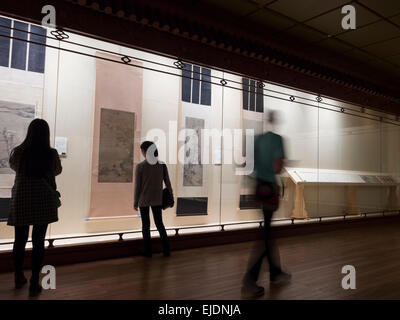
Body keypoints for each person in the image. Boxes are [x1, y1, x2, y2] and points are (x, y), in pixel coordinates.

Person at [7, 119, 62, 297]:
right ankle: (34, 282)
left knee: (19, 241)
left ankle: (18, 277)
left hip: (22, 199)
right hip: (44, 199)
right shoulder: (50, 153)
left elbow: (14, 167)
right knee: (39, 241)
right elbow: (57, 171)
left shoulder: (18, 152)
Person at [241, 111, 291, 299]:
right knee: (266, 236)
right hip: (270, 189)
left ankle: (275, 272)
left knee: (268, 232)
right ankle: (250, 280)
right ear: (276, 121)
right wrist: (282, 164)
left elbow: (248, 162)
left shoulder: (257, 139)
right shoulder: (278, 140)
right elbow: (278, 167)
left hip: (259, 187)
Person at [134, 141, 173, 257]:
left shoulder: (140, 166)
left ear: (145, 152)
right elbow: (168, 183)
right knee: (159, 224)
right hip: (157, 199)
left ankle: (148, 252)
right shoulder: (162, 165)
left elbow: (138, 187)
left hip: (143, 200)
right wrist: (171, 197)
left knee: (145, 226)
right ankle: (166, 250)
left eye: (142, 151)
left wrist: (135, 202)